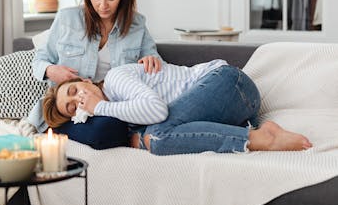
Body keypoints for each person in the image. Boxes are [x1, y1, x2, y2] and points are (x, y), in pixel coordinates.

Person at [42, 60, 313, 155]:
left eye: (74, 90)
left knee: (156, 137)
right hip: (239, 110)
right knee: (155, 136)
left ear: (86, 81)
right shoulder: (120, 114)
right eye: (72, 106)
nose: (78, 99)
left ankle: (259, 139)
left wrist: (100, 107)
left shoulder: (115, 81)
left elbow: (157, 111)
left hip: (228, 83)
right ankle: (260, 129)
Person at [29, 0, 162, 133]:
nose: (103, 5)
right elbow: (39, 60)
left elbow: (153, 61)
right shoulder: (67, 19)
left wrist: (151, 60)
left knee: (109, 128)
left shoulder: (136, 25)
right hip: (74, 111)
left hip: (114, 108)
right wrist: (51, 70)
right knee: (100, 131)